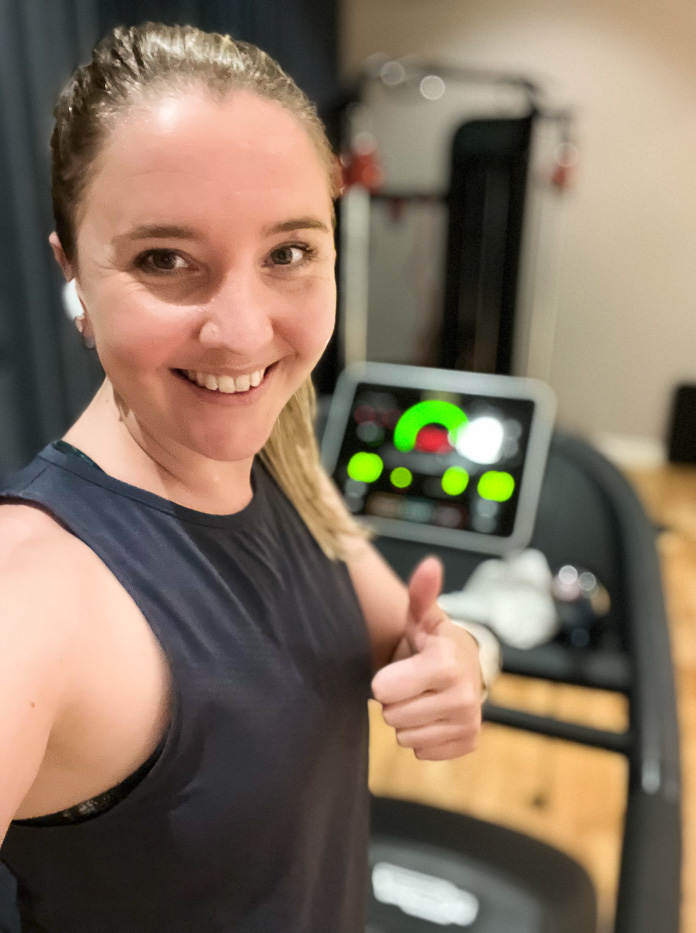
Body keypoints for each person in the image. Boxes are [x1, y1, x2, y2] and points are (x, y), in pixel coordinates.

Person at [0, 23, 487, 932]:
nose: (243, 331)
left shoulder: (280, 459)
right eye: (163, 260)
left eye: (289, 253)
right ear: (73, 278)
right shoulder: (37, 589)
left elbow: (404, 634)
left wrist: (460, 662)